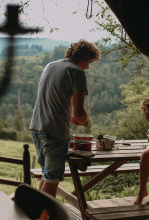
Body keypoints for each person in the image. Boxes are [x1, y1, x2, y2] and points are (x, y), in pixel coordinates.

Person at [29, 39, 100, 217]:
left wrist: (69, 117)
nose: (88, 67)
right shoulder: (77, 73)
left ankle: (37, 216)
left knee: (47, 176)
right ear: (84, 58)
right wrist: (84, 119)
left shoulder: (51, 65)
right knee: (52, 181)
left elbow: (52, 100)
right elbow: (80, 112)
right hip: (55, 132)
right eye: (89, 62)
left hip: (38, 127)